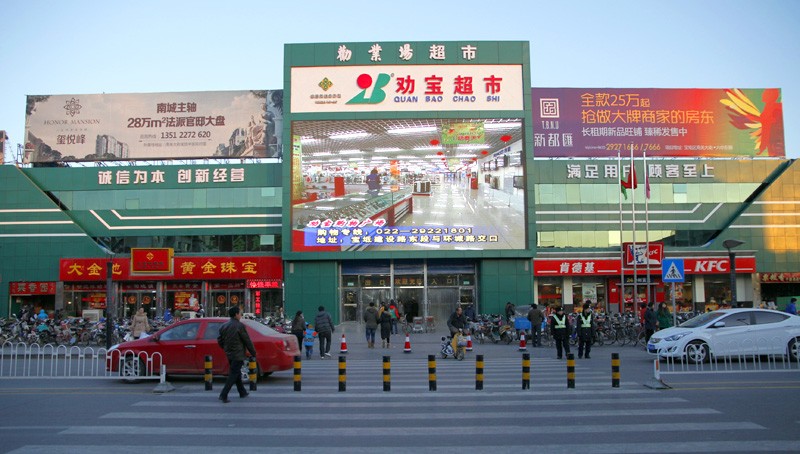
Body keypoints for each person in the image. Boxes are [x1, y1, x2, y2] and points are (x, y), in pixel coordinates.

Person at [216, 306, 256, 403]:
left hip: (229, 353)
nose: (241, 315)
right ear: (236, 314)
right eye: (240, 313)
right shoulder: (239, 326)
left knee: (236, 372)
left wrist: (225, 348)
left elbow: (220, 340)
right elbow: (247, 340)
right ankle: (223, 394)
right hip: (238, 354)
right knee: (233, 374)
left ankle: (242, 392)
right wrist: (253, 352)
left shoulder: (224, 326)